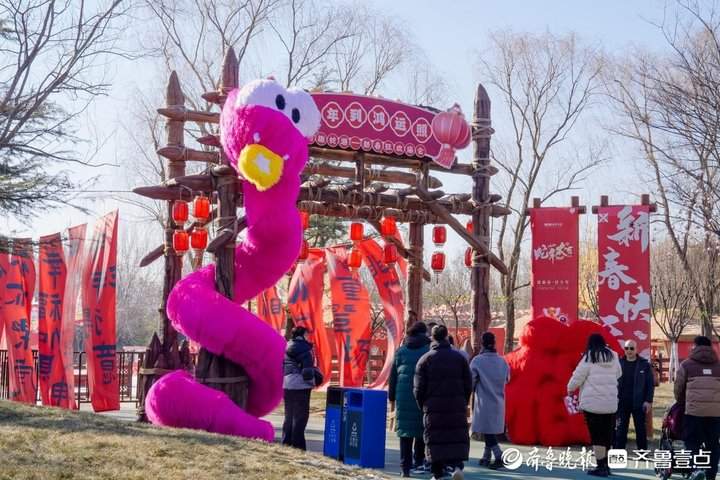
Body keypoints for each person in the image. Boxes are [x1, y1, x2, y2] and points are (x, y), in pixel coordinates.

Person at [414, 325, 472, 480]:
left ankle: (437, 473)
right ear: (447, 336)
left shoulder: (425, 359)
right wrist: (463, 401)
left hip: (433, 407)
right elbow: (468, 383)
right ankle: (457, 466)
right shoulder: (459, 358)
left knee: (435, 439)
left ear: (432, 338)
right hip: (456, 405)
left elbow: (418, 389)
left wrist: (423, 406)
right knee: (456, 436)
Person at [567, 333, 622, 477]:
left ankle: (600, 466)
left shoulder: (589, 357)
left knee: (596, 436)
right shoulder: (614, 356)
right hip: (610, 403)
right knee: (607, 435)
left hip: (592, 404)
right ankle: (607, 466)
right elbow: (618, 374)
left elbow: (577, 377)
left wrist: (570, 388)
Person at [674, 336, 720, 480]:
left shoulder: (686, 365)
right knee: (713, 444)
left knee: (692, 441)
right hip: (715, 413)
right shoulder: (719, 366)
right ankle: (711, 474)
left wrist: (683, 402)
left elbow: (678, 388)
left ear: (695, 346)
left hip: (693, 412)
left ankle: (697, 469)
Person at [389, 322, 431, 477]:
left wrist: (392, 396)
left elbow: (392, 377)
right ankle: (418, 462)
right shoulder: (427, 351)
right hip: (421, 397)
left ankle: (404, 468)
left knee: (405, 433)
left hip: (402, 397)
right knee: (421, 430)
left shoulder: (400, 352)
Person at [470, 331, 510, 470]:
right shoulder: (502, 361)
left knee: (487, 430)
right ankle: (486, 456)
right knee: (490, 430)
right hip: (499, 400)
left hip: (484, 401)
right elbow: (508, 379)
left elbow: (471, 380)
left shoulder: (477, 361)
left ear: (482, 344)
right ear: (494, 343)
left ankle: (499, 456)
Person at [614, 339, 654, 451]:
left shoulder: (644, 365)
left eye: (632, 348)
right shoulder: (619, 363)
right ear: (624, 350)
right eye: (626, 348)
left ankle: (642, 453)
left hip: (639, 403)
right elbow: (613, 381)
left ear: (636, 349)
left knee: (640, 430)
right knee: (621, 429)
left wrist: (648, 401)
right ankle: (618, 454)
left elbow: (650, 385)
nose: (629, 351)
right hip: (622, 402)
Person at [282, 326, 315, 450]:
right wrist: (312, 382)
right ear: (302, 335)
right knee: (300, 417)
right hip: (301, 386)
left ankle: (286, 443)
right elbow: (307, 372)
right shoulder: (305, 348)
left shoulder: (285, 346)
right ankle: (298, 446)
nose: (308, 337)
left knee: (289, 415)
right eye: (307, 334)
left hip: (287, 384)